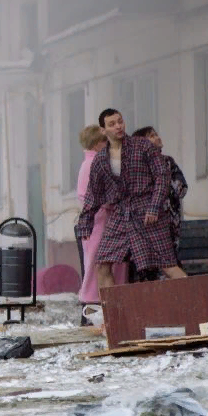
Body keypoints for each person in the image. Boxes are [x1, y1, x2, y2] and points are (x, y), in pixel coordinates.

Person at [75, 109, 188, 292]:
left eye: (120, 121)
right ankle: (113, 314)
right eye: (112, 124)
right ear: (103, 130)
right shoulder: (100, 159)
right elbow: (93, 193)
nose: (118, 126)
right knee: (102, 263)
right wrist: (85, 221)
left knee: (167, 265)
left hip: (147, 213)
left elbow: (162, 176)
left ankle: (196, 302)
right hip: (121, 214)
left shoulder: (142, 146)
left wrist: (154, 206)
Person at [76, 124, 127, 318]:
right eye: (106, 141)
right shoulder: (92, 164)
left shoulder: (93, 162)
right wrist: (114, 202)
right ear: (98, 144)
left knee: (105, 266)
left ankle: (104, 309)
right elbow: (90, 195)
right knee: (99, 268)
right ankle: (93, 311)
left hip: (103, 222)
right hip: (100, 223)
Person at [131, 126, 188, 279]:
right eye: (151, 136)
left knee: (170, 261)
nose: (157, 137)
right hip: (147, 221)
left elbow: (181, 188)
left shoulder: (168, 162)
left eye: (156, 134)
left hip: (170, 220)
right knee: (151, 266)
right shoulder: (137, 167)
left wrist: (162, 187)